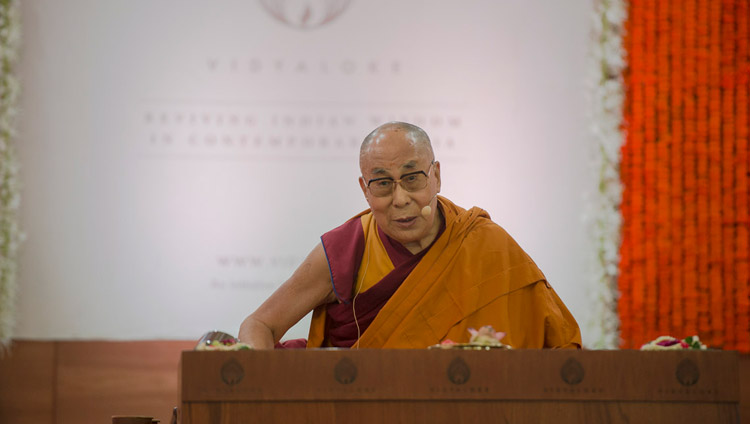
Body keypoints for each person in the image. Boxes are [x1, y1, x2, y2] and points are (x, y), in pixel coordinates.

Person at [239, 122, 581, 349]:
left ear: (436, 177)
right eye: (383, 183)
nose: (400, 198)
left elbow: (560, 347)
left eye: (413, 178)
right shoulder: (348, 249)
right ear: (365, 190)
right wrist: (258, 388)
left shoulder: (485, 244)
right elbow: (259, 324)